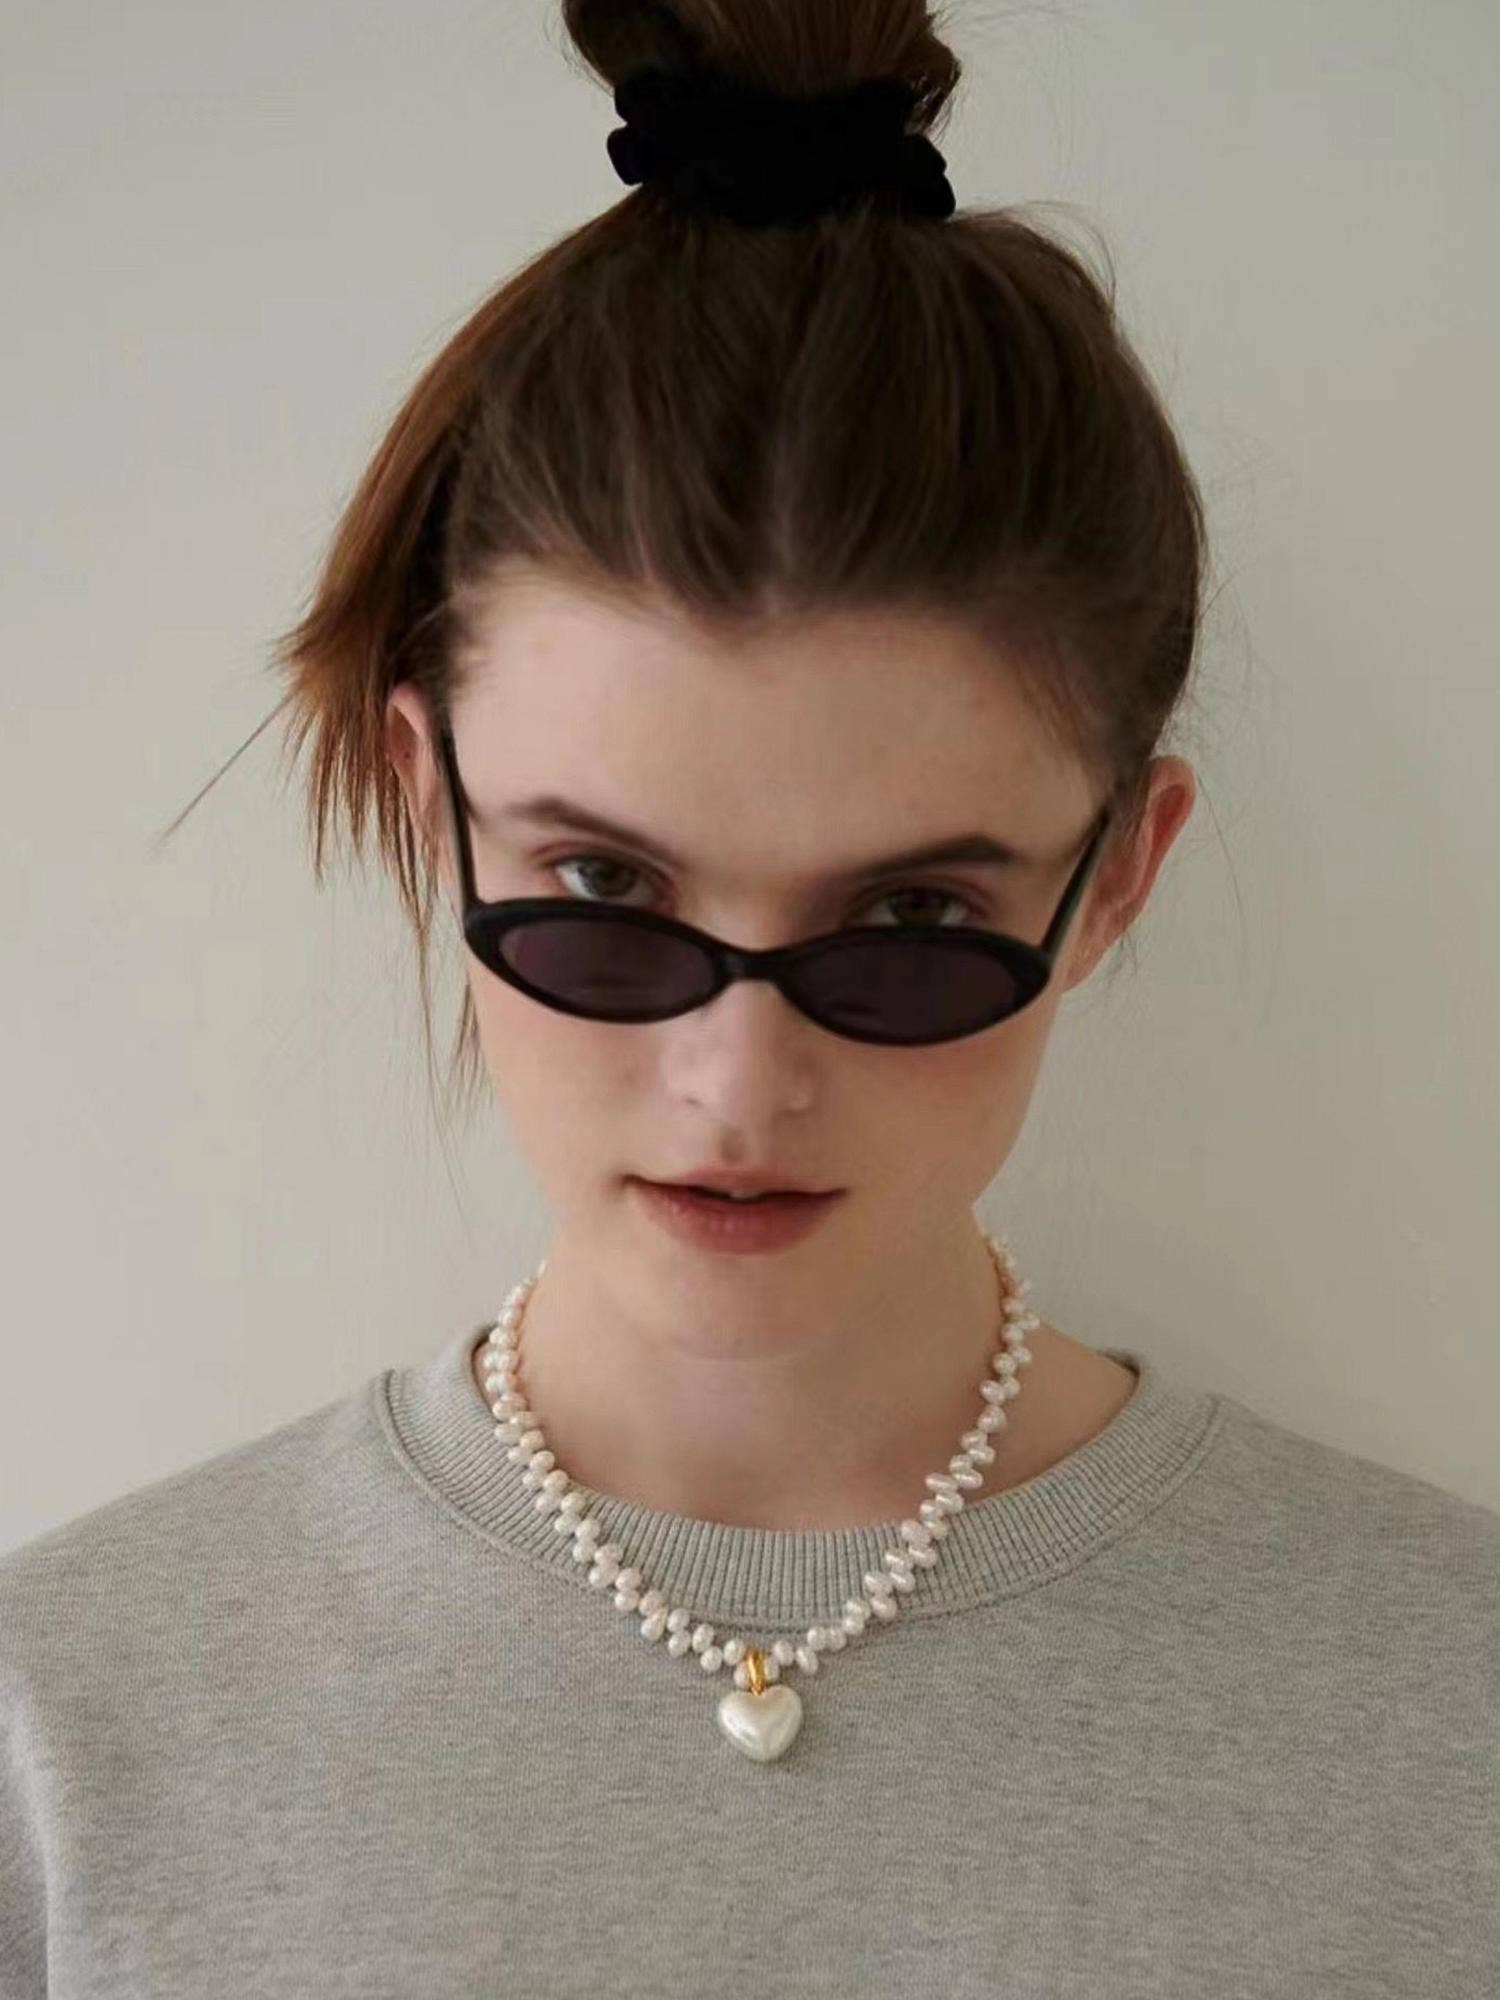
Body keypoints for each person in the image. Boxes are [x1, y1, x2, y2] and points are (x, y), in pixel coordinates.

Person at [2, 2, 1495, 1994]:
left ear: (1118, 875)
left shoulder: (1450, 1722)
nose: (738, 1082)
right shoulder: (70, 1740)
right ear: (427, 803)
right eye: (605, 889)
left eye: (911, 914)